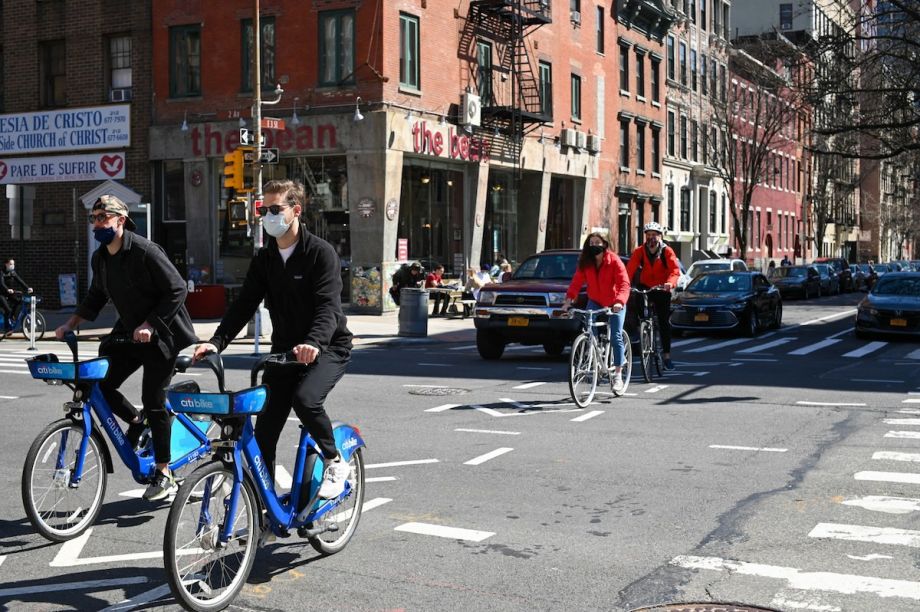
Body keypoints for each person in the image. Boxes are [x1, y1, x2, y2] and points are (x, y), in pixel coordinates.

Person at [192, 179, 353, 500]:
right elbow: (244, 304)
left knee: (306, 400)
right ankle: (264, 512)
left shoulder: (320, 254)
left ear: (296, 210)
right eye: (263, 210)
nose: (268, 216)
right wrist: (217, 341)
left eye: (275, 209)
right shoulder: (265, 260)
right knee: (264, 430)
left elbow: (328, 308)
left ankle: (335, 461)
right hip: (284, 353)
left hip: (327, 347)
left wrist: (314, 343)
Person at [54, 195, 197, 501]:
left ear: (120, 220)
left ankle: (164, 473)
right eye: (94, 218)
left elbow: (177, 289)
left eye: (103, 218)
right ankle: (136, 420)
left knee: (154, 399)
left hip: (162, 334)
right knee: (98, 385)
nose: (97, 224)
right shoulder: (101, 258)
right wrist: (71, 323)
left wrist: (150, 324)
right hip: (129, 333)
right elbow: (96, 295)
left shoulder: (145, 251)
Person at [561, 233, 631, 393]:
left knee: (615, 336)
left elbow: (624, 284)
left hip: (615, 302)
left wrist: (620, 302)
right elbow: (576, 282)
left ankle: (618, 375)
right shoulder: (586, 262)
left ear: (604, 244)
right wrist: (568, 301)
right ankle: (594, 350)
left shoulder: (614, 260)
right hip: (595, 300)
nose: (594, 246)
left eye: (597, 242)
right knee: (588, 327)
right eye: (591, 243)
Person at [625, 222, 681, 371]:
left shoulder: (666, 251)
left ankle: (667, 356)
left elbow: (675, 271)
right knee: (637, 296)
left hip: (662, 287)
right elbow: (629, 270)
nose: (651, 238)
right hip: (646, 286)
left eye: (654, 235)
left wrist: (670, 283)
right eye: (648, 235)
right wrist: (625, 285)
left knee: (663, 322)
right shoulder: (639, 251)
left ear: (660, 236)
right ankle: (642, 326)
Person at [0, 258, 32, 326]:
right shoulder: (1, 272)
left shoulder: (12, 272)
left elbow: (20, 281)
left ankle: (13, 317)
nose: (13, 265)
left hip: (9, 293)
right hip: (1, 294)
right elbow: (1, 283)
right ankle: (6, 328)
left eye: (13, 264)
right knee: (8, 310)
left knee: (19, 302)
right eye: (11, 264)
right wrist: (7, 289)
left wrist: (27, 288)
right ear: (6, 264)